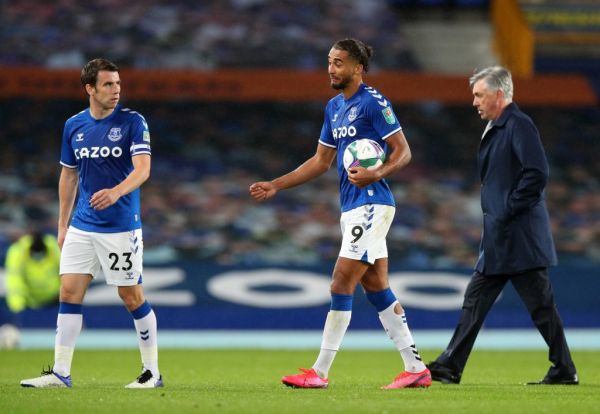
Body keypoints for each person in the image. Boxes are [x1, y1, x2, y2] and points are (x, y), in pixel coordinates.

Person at [249, 38, 431, 389]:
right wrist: (276, 184)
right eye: (329, 62)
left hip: (373, 203)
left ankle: (319, 372)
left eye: (339, 63)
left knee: (339, 281)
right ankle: (415, 368)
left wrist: (377, 172)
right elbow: (321, 160)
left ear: (358, 68)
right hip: (351, 207)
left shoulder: (374, 103)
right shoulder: (334, 107)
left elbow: (403, 152)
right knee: (376, 286)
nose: (331, 69)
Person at [427, 66, 578, 385]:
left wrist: (508, 209)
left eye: (479, 95)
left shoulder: (519, 125)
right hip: (502, 234)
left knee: (538, 306)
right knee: (478, 300)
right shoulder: (502, 125)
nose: (474, 102)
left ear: (499, 94)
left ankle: (564, 369)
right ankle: (450, 364)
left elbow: (537, 172)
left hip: (518, 234)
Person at [20, 58, 162, 388]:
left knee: (132, 296)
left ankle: (151, 371)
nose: (116, 90)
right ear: (90, 89)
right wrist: (62, 225)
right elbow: (68, 175)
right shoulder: (74, 126)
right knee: (68, 292)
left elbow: (143, 170)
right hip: (83, 225)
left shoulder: (132, 122)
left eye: (118, 84)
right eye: (108, 84)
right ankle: (60, 372)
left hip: (121, 226)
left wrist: (116, 192)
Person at [1, 231, 60, 348]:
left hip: (54, 296)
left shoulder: (54, 248)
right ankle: (10, 334)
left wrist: (66, 297)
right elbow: (14, 281)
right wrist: (17, 307)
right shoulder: (17, 251)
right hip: (28, 298)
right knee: (11, 313)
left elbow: (66, 274)